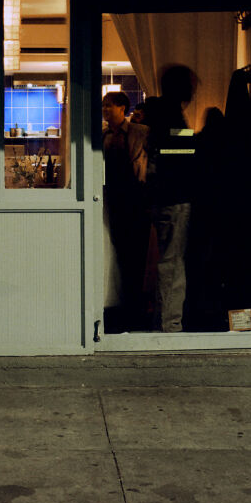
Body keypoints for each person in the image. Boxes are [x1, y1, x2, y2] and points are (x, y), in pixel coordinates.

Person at [147, 64, 198, 332]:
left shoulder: (158, 114)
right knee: (173, 263)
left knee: (169, 261)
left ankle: (163, 321)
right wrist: (197, 140)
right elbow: (176, 150)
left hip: (161, 198)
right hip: (174, 197)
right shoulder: (171, 115)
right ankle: (170, 325)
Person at [102, 91, 151, 331]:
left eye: (109, 106)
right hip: (113, 202)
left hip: (137, 202)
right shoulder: (103, 137)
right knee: (119, 255)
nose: (105, 110)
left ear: (122, 108)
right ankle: (122, 307)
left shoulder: (141, 132)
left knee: (137, 256)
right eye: (104, 106)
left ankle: (135, 307)